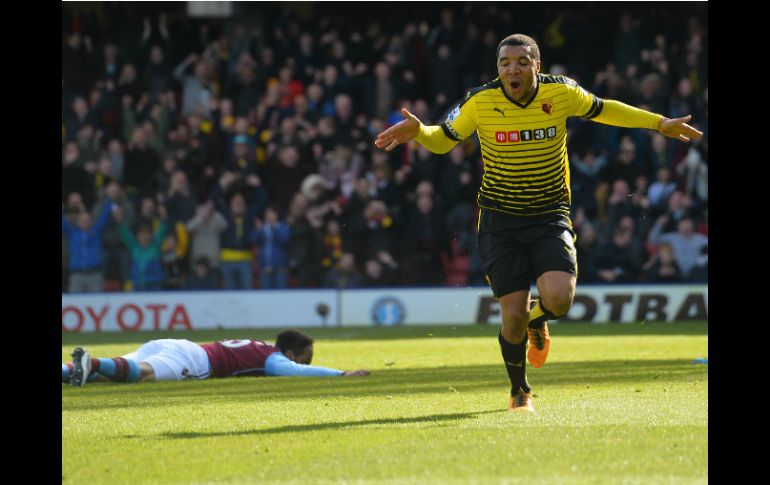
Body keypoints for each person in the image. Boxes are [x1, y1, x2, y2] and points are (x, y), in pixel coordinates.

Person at [374, 33, 703, 412]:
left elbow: (605, 108)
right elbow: (443, 140)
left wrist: (659, 123)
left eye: (521, 61)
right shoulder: (481, 100)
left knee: (559, 300)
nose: (512, 69)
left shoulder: (560, 93)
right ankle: (520, 391)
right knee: (510, 317)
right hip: (500, 218)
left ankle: (538, 320)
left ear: (537, 64)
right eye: (504, 63)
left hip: (549, 213)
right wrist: (420, 132)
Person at [63, 329, 370, 386]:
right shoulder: (274, 359)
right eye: (305, 359)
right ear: (290, 353)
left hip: (169, 343)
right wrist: (339, 374)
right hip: (195, 360)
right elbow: (294, 372)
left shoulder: (258, 346)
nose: (304, 364)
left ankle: (76, 368)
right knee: (142, 374)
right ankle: (89, 362)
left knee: (109, 376)